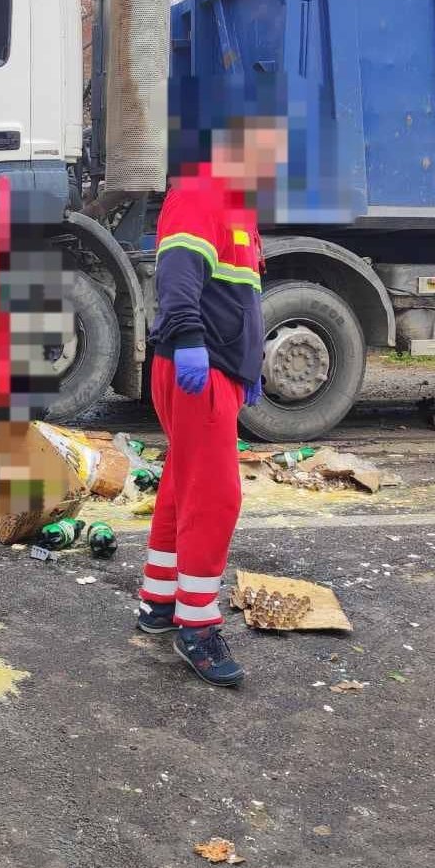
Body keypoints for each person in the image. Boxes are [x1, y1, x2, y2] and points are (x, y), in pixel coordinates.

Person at [135, 117, 285, 687]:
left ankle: (159, 602)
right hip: (195, 369)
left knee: (182, 484)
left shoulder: (238, 210)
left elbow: (240, 301)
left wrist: (249, 369)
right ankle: (196, 627)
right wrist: (193, 343)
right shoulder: (200, 195)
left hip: (216, 370)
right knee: (217, 496)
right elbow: (177, 277)